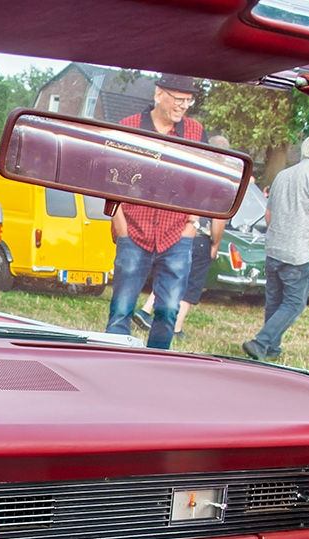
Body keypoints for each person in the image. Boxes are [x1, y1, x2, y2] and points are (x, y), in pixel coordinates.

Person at [103, 74, 205, 351]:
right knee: (121, 308)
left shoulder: (195, 132)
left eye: (189, 100)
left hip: (177, 235)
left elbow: (202, 182)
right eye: (179, 99)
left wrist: (192, 223)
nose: (184, 106)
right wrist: (121, 226)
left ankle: (157, 365)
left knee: (168, 310)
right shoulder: (129, 128)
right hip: (134, 231)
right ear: (159, 94)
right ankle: (113, 362)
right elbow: (110, 181)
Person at [242, 132, 309, 361]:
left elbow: (268, 214)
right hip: (298, 252)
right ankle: (261, 342)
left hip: (274, 249)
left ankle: (272, 348)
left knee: (274, 301)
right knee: (294, 303)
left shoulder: (282, 175)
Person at [137, 134, 231, 339]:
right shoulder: (221, 181)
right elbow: (218, 219)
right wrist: (215, 243)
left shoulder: (191, 171)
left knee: (170, 275)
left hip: (178, 231)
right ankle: (176, 329)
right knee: (190, 285)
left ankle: (145, 310)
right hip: (200, 237)